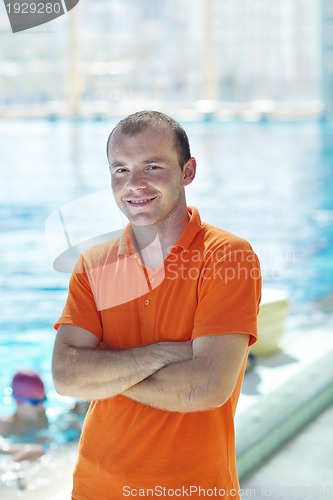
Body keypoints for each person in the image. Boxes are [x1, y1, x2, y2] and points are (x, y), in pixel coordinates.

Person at [52, 110, 262, 499]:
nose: (135, 184)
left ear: (188, 171)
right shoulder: (94, 263)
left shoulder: (228, 257)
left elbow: (205, 388)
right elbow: (67, 378)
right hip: (94, 486)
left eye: (153, 165)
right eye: (121, 170)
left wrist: (107, 374)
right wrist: (168, 354)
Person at [0, 369, 48, 461]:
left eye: (44, 399)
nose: (41, 406)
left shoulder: (42, 416)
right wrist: (28, 449)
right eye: (35, 402)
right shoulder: (6, 424)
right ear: (19, 401)